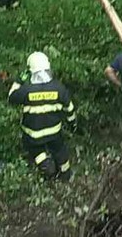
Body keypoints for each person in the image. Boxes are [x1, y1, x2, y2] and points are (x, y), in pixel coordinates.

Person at [8, 51, 76, 180]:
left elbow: (11, 97)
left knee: (34, 148)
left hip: (33, 134)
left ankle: (45, 163)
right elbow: (70, 109)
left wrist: (19, 79)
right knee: (60, 149)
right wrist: (73, 125)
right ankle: (65, 174)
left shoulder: (26, 90)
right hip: (54, 132)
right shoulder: (59, 88)